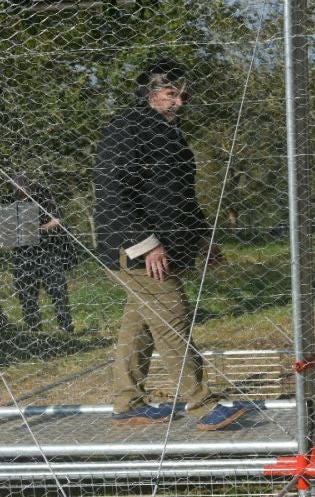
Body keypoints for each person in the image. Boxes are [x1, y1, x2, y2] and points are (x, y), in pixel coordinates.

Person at [94, 60, 243, 430]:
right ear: (149, 94)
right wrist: (144, 244)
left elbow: (179, 197)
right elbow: (112, 191)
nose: (180, 102)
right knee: (173, 321)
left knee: (140, 327)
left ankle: (128, 403)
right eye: (171, 94)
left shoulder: (167, 133)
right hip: (136, 251)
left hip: (167, 247)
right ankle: (203, 404)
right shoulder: (127, 129)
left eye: (184, 95)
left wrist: (203, 239)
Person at [2, 175, 74, 335]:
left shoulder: (44, 195)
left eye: (24, 191)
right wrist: (15, 235)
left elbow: (57, 220)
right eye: (18, 193)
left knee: (58, 291)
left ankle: (66, 328)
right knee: (26, 295)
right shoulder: (8, 200)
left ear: (29, 187)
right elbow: (6, 236)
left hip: (48, 251)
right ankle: (35, 331)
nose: (22, 195)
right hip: (22, 254)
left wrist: (38, 230)